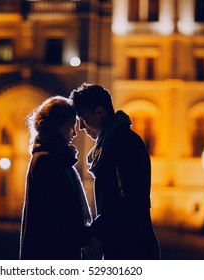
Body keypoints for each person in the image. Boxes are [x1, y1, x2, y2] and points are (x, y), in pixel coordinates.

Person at [69, 83, 161, 260]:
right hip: (124, 244)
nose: (80, 126)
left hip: (132, 247)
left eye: (83, 117)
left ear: (100, 112)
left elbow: (128, 200)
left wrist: (97, 231)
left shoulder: (123, 143)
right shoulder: (114, 142)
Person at [20, 96, 92, 260]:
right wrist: (85, 236)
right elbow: (59, 214)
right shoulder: (47, 160)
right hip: (51, 254)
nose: (74, 133)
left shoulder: (54, 158)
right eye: (70, 126)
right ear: (57, 127)